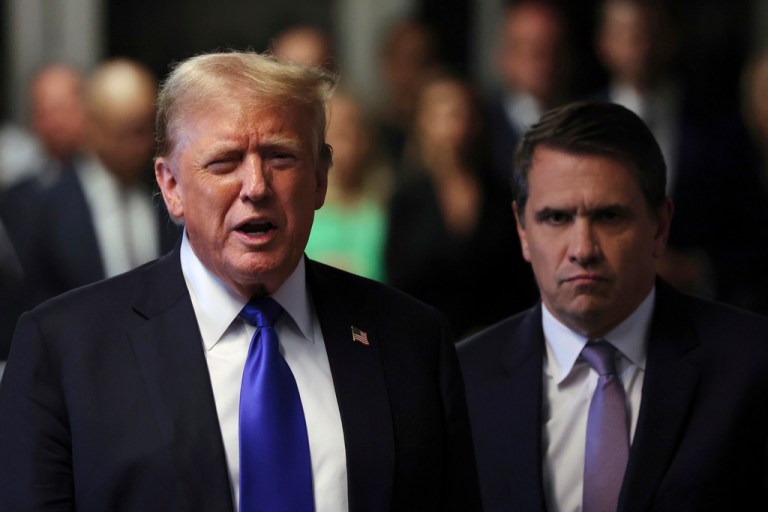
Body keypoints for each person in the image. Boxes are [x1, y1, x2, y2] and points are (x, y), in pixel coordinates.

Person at [0, 50, 481, 511]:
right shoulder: (65, 351)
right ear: (171, 187)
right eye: (225, 161)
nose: (256, 186)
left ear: (320, 179)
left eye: (280, 157)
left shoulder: (413, 342)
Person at [458, 101, 768, 511]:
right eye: (556, 218)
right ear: (522, 230)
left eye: (608, 216)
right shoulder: (462, 381)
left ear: (660, 226)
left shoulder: (751, 363)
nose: (583, 249)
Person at [386, 73, 537, 338]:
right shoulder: (406, 199)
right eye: (440, 114)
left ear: (476, 121)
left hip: (497, 344)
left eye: (458, 113)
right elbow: (397, 283)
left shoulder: (503, 196)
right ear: (421, 123)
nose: (451, 126)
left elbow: (521, 283)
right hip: (423, 345)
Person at [21, 58, 181, 306]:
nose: (143, 145)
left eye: (149, 128)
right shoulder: (45, 208)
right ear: (93, 127)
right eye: (128, 133)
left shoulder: (171, 189)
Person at [304, 90, 391, 281]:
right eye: (334, 132)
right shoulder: (298, 211)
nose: (342, 145)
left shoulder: (384, 207)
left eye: (352, 131)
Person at [486, 0, 570, 185]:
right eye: (526, 47)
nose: (539, 59)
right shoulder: (480, 129)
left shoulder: (582, 125)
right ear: (502, 56)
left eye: (550, 46)